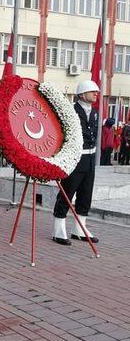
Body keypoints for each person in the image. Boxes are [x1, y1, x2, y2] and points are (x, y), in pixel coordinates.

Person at [52, 80, 100, 245]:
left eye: (96, 91)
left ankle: (79, 230)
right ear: (81, 94)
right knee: (67, 193)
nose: (96, 94)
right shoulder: (71, 111)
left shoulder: (94, 112)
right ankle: (58, 230)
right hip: (75, 159)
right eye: (92, 91)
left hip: (90, 159)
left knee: (85, 195)